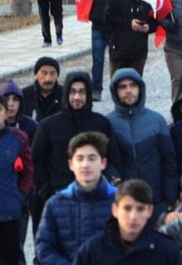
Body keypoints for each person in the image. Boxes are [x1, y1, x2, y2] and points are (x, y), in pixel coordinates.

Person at [31, 72, 123, 237]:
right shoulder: (48, 126)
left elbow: (113, 159)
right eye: (72, 91)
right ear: (66, 94)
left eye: (82, 92)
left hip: (95, 201)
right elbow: (37, 161)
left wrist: (111, 179)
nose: (77, 97)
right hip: (59, 199)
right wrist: (46, 190)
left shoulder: (101, 123)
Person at [106, 69, 178, 223]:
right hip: (123, 204)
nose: (128, 91)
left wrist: (170, 197)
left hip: (156, 201)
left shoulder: (157, 121)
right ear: (115, 92)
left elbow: (169, 160)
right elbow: (104, 161)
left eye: (133, 85)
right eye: (122, 87)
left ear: (140, 88)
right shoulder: (107, 124)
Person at [36, 132, 117, 265]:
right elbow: (45, 247)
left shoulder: (120, 202)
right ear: (71, 164)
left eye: (92, 158)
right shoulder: (55, 204)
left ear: (103, 163)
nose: (85, 165)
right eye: (79, 159)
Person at [74, 179, 181, 264]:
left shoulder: (167, 252)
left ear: (150, 211)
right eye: (127, 208)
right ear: (115, 210)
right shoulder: (92, 251)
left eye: (140, 209)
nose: (133, 217)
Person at [104, 0, 158, 75]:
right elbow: (108, 19)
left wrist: (149, 27)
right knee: (118, 84)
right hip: (120, 52)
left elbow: (155, 23)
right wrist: (129, 24)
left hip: (139, 53)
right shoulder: (115, 2)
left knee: (136, 85)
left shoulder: (146, 6)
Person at [0, 96, 33, 265]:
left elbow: (28, 171)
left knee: (12, 258)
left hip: (10, 213)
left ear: (5, 113)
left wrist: (20, 195)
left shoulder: (18, 138)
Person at [89, 0, 126, 100]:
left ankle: (118, 88)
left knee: (116, 60)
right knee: (98, 60)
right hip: (98, 28)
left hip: (115, 29)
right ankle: (96, 90)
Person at [22, 57, 63, 122]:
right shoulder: (24, 95)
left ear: (57, 75)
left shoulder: (65, 95)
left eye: (52, 73)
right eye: (44, 73)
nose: (48, 78)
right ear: (36, 74)